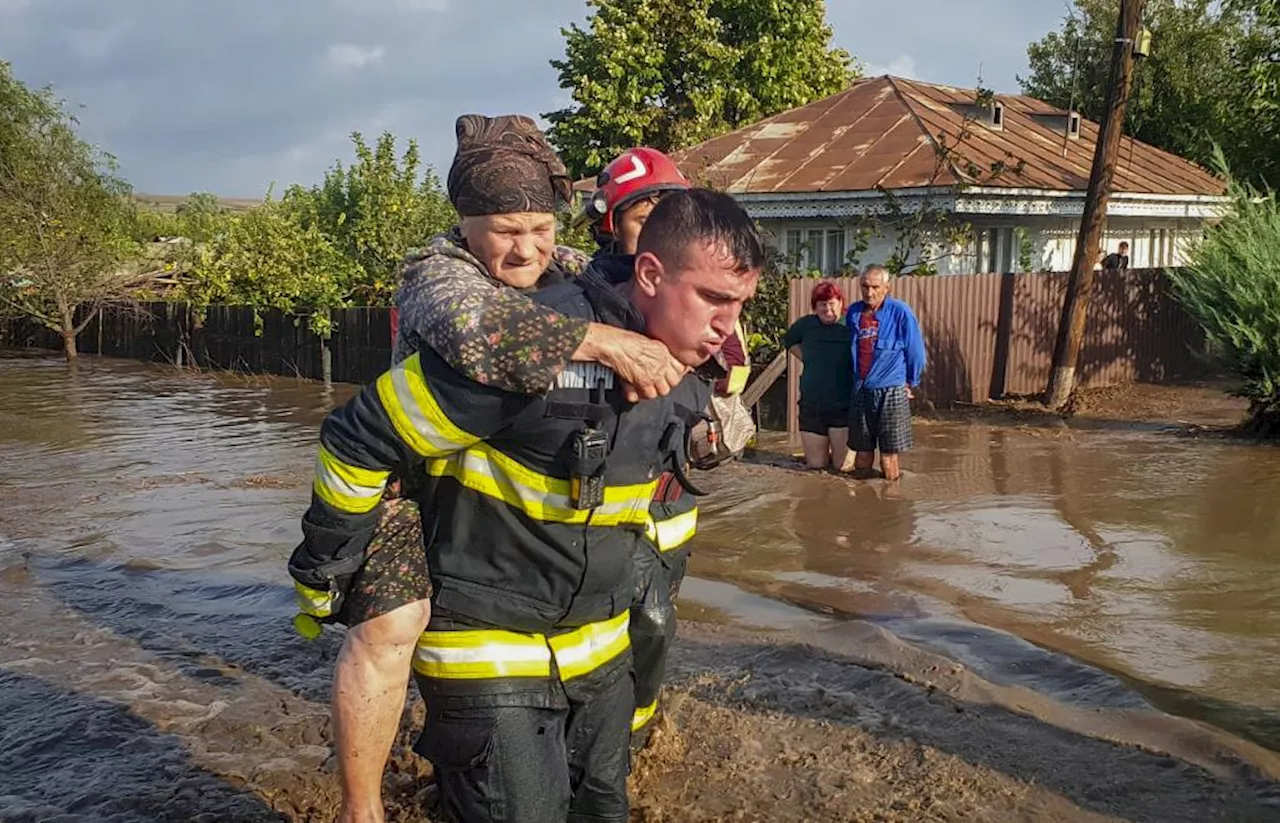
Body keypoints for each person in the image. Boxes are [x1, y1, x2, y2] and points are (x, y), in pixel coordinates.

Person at [293, 187, 766, 822]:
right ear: (651, 274)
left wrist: (712, 439)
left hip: (598, 650)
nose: (727, 328)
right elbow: (358, 437)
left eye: (739, 305)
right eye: (714, 299)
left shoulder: (687, 363)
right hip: (488, 648)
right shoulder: (526, 350)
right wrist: (329, 566)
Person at [845, 265, 926, 482]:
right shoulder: (853, 312)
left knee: (888, 457)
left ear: (886, 288)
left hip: (891, 390)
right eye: (865, 286)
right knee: (861, 453)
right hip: (861, 389)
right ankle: (860, 502)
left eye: (875, 287)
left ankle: (891, 504)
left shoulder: (901, 312)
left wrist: (911, 382)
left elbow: (916, 352)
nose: (869, 292)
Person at [782, 279, 853, 470]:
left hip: (844, 405)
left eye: (832, 303)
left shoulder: (851, 324)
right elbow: (789, 341)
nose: (828, 309)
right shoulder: (806, 325)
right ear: (815, 306)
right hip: (812, 405)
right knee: (816, 467)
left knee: (843, 468)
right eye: (822, 304)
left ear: (841, 304)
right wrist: (808, 359)